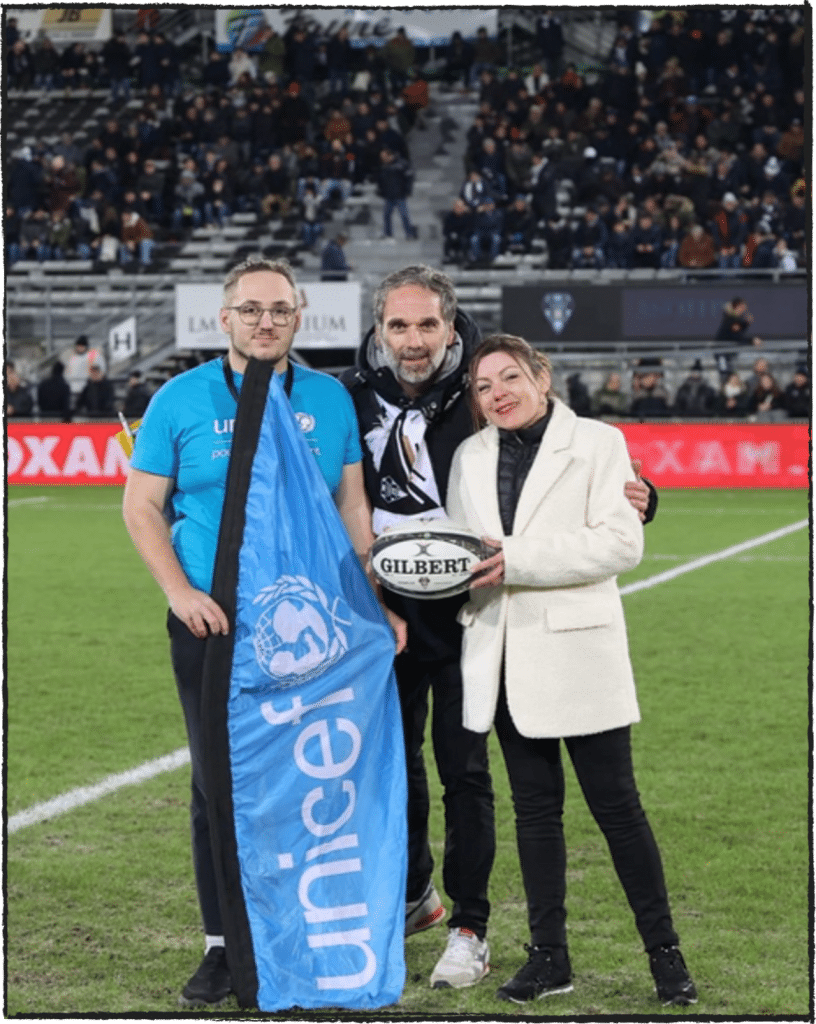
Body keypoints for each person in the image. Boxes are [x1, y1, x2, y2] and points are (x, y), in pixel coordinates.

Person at [340, 265, 657, 989]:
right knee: (391, 768)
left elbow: (558, 449)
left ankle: (470, 926)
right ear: (379, 330)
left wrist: (640, 494)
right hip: (377, 614)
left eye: (427, 325)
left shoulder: (484, 393)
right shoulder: (348, 397)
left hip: (470, 616)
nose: (413, 341)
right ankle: (415, 892)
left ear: (451, 327)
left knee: (467, 774)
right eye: (399, 326)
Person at [122, 256, 406, 1009]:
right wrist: (180, 592)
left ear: (299, 315)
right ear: (225, 319)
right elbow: (142, 506)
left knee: (315, 777)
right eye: (250, 310)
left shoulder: (327, 399)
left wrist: (373, 600)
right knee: (217, 783)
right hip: (214, 622)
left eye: (279, 309)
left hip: (313, 631)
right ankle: (223, 945)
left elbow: (351, 508)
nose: (265, 321)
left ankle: (302, 927)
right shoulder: (179, 400)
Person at [445, 332, 697, 1007]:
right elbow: (463, 552)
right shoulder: (469, 455)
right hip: (501, 658)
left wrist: (514, 559)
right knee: (535, 814)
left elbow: (620, 542)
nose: (497, 393)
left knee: (618, 809)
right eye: (483, 386)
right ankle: (548, 958)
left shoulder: (599, 442)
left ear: (541, 376)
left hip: (580, 654)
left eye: (508, 379)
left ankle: (666, 956)